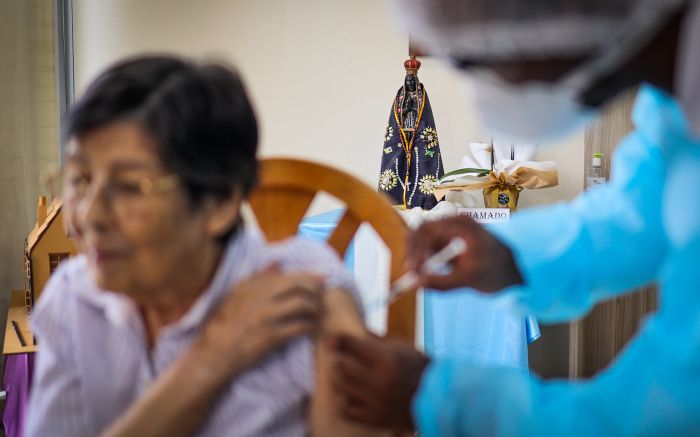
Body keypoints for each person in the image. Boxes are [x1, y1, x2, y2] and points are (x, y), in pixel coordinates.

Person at [331, 0, 700, 435]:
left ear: (558, 18)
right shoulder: (673, 101)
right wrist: (509, 255)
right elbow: (639, 212)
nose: (483, 91)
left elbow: (660, 418)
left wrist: (440, 401)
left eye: (477, 60)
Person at [25, 55, 381, 437]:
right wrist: (209, 359)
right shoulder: (73, 299)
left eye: (130, 186)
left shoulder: (303, 294)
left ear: (220, 203)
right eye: (80, 179)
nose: (91, 215)